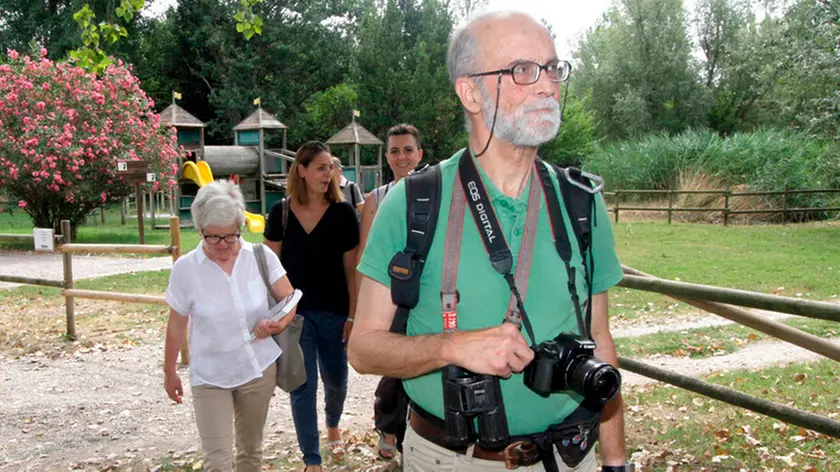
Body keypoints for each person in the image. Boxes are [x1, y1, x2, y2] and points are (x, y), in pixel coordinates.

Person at [349, 11, 631, 472]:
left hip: (568, 456)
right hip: (448, 459)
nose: (547, 86)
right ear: (470, 92)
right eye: (522, 70)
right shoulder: (412, 203)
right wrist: (452, 346)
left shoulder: (581, 203)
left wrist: (616, 461)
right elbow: (363, 349)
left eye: (553, 68)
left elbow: (599, 336)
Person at [163, 180, 297, 472]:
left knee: (250, 452)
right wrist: (170, 371)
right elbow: (176, 325)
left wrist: (276, 324)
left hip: (257, 370)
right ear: (199, 230)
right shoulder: (185, 269)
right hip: (210, 376)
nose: (223, 245)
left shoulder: (261, 256)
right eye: (213, 237)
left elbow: (290, 299)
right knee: (217, 460)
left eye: (231, 236)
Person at [264, 141, 360, 472]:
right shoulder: (281, 213)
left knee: (336, 381)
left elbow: (352, 269)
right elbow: (269, 266)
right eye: (321, 167)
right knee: (301, 385)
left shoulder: (344, 213)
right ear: (301, 171)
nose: (328, 173)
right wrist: (277, 313)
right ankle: (312, 458)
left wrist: (353, 314)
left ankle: (333, 422)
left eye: (330, 168)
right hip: (296, 317)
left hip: (335, 313)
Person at [357, 124, 424, 459]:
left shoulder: (437, 194)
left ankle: (419, 431)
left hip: (427, 292)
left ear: (420, 154)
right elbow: (365, 256)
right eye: (395, 151)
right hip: (390, 294)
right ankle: (389, 427)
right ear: (387, 156)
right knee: (394, 363)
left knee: (428, 359)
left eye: (408, 150)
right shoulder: (377, 198)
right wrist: (358, 309)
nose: (402, 157)